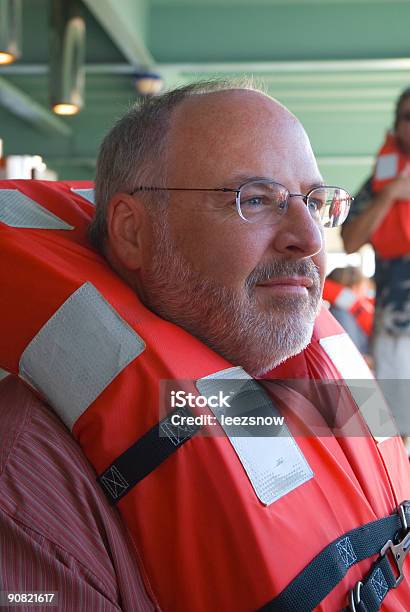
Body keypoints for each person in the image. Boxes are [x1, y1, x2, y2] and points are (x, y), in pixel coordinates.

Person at [1, 81, 410, 611]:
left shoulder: (307, 384)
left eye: (314, 203)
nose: (309, 238)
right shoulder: (26, 484)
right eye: (256, 199)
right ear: (132, 232)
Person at [341, 87, 410, 436]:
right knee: (396, 426)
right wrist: (391, 195)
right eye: (408, 117)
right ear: (397, 126)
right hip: (397, 321)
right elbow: (350, 241)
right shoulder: (380, 182)